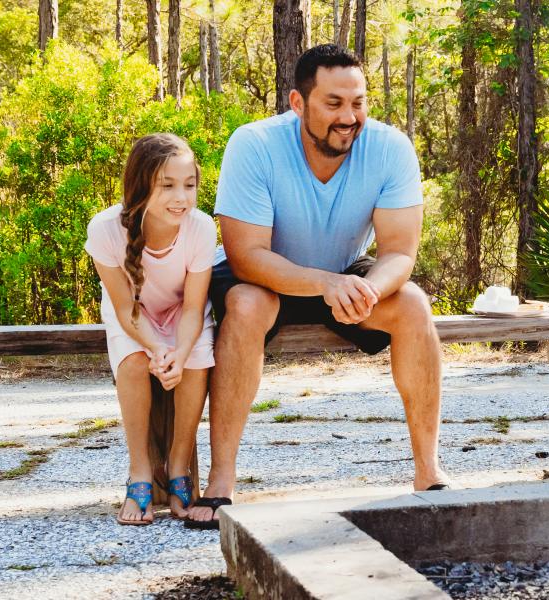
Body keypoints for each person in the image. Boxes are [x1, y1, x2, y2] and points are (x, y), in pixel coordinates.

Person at [185, 44, 447, 528]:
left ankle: (429, 473)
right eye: (334, 103)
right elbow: (246, 254)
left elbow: (398, 254)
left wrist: (366, 290)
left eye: (359, 102)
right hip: (265, 277)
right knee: (244, 304)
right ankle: (221, 479)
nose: (349, 117)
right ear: (298, 103)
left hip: (345, 273)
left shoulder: (391, 149)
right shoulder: (254, 143)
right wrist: (325, 283)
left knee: (412, 302)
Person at [84, 133, 215, 525]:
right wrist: (156, 348)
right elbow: (126, 308)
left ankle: (179, 466)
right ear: (142, 185)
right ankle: (139, 470)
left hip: (181, 314)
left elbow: (193, 307)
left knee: (194, 361)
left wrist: (176, 351)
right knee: (135, 363)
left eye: (189, 185)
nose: (182, 197)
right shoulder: (105, 229)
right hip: (134, 317)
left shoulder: (202, 228)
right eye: (168, 186)